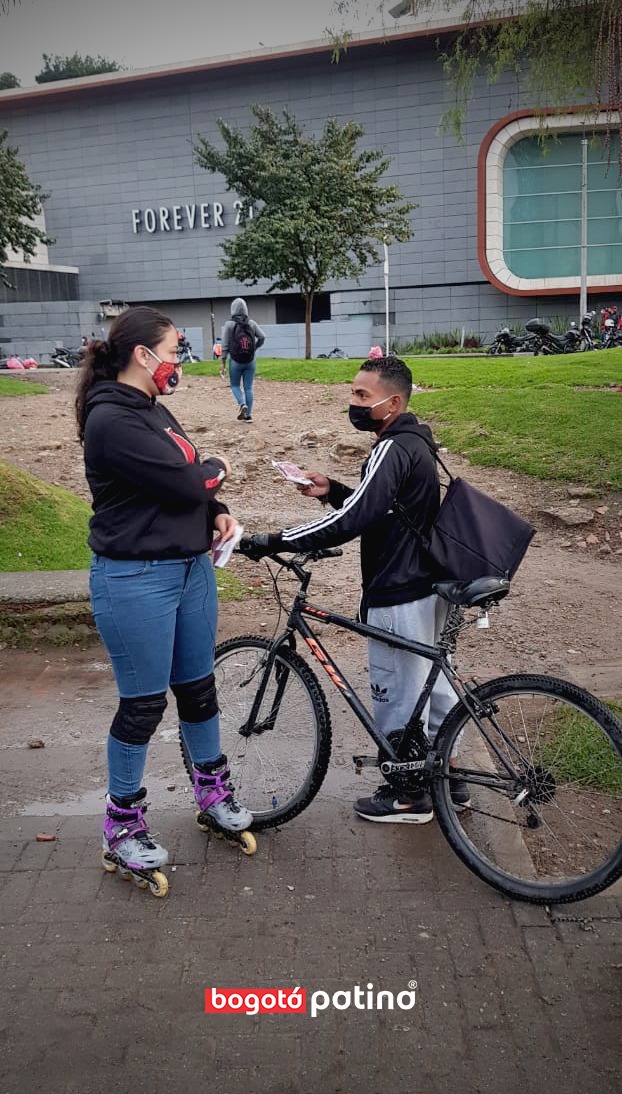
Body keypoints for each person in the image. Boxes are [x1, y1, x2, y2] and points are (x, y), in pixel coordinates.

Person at [242, 355, 470, 824]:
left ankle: (407, 795)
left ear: (394, 401)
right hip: (427, 583)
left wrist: (275, 540)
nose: (354, 403)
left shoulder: (391, 448)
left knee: (396, 690)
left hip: (398, 587)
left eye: (362, 396)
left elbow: (353, 521)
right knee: (435, 683)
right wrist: (332, 488)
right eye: (352, 394)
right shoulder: (415, 443)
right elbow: (383, 507)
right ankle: (449, 775)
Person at [75, 305, 253, 882]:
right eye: (174, 351)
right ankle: (121, 825)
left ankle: (211, 793)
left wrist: (217, 508)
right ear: (142, 355)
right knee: (145, 705)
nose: (179, 362)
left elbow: (185, 482)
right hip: (134, 579)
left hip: (189, 571)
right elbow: (185, 477)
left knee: (199, 691)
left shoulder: (153, 409)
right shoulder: (111, 419)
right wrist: (217, 469)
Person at [221, 297, 266, 422]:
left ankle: (242, 404)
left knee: (235, 385)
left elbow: (224, 345)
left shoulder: (229, 324)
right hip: (250, 360)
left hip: (235, 360)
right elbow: (263, 337)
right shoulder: (251, 323)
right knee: (248, 388)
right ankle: (248, 416)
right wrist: (254, 348)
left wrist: (223, 361)